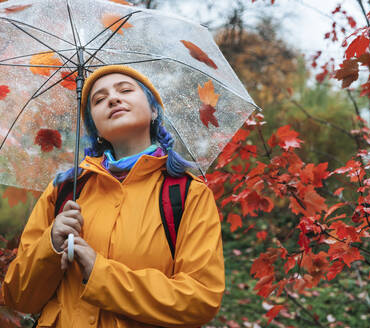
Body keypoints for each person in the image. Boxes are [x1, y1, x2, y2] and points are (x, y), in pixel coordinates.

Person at [1, 65, 225, 327]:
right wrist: (50, 244)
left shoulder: (188, 194)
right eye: (99, 99)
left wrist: (100, 273)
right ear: (94, 125)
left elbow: (200, 300)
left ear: (154, 110)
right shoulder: (64, 190)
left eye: (125, 90)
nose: (113, 99)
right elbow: (19, 298)